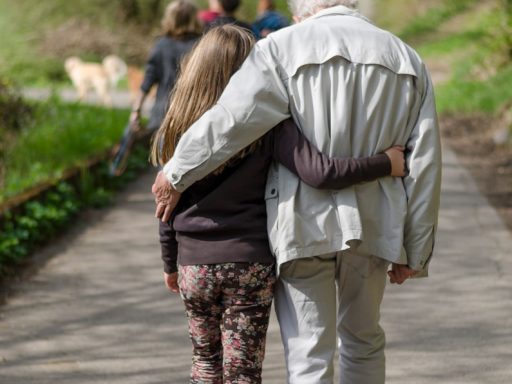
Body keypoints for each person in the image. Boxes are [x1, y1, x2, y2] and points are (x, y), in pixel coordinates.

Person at [152, 1, 442, 383]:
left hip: (303, 222)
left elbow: (231, 120)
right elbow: (425, 161)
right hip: (375, 220)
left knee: (309, 350)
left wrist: (176, 171)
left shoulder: (279, 49)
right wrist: (417, 250)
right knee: (364, 340)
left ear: (302, 11)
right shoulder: (405, 57)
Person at [130, 0, 202, 131]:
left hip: (162, 115)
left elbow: (148, 80)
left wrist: (136, 110)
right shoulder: (202, 45)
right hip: (193, 115)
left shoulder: (161, 45)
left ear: (169, 19)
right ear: (194, 18)